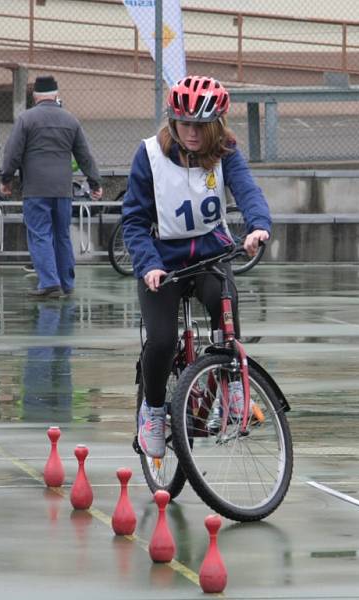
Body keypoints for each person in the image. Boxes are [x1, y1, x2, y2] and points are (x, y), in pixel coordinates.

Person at [122, 75, 271, 458]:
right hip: (163, 260)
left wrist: (258, 226)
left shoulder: (225, 151)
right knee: (161, 339)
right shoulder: (150, 154)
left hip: (208, 253)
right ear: (173, 121)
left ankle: (232, 384)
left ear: (216, 125)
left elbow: (247, 189)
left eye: (201, 126)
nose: (192, 133)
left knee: (225, 302)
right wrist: (149, 264)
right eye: (185, 124)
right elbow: (135, 221)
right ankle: (153, 410)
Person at [0, 75, 102, 298]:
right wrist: (95, 182)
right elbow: (84, 155)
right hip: (63, 190)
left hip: (36, 188)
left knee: (40, 234)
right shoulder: (71, 120)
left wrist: (6, 179)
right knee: (62, 235)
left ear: (35, 96)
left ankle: (48, 283)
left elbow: (12, 153)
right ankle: (67, 283)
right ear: (56, 95)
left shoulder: (26, 119)